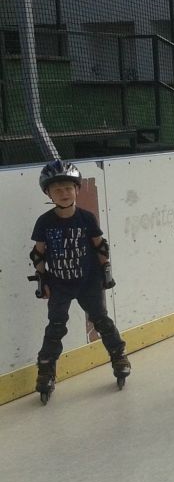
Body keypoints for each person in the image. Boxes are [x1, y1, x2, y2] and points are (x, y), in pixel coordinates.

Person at [29, 159, 131, 405]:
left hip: (88, 281)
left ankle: (118, 356)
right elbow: (38, 253)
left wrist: (106, 271)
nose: (63, 193)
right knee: (56, 326)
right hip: (59, 284)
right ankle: (46, 370)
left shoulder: (86, 218)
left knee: (101, 321)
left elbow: (100, 246)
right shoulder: (44, 222)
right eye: (57, 190)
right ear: (48, 194)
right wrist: (42, 280)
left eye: (68, 188)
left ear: (77, 189)